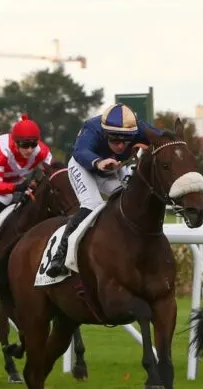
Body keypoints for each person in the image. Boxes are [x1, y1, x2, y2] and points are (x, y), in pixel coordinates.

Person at [42, 102, 160, 277]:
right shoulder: (92, 128)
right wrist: (98, 162)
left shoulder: (140, 128)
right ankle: (60, 254)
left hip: (113, 168)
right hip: (84, 166)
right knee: (92, 204)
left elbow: (164, 138)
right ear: (105, 133)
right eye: (114, 140)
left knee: (125, 202)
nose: (121, 146)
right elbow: (81, 151)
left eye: (126, 140)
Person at [0, 114, 53, 248]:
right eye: (25, 145)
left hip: (15, 181)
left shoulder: (41, 151)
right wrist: (19, 187)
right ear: (15, 142)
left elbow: (53, 172)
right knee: (6, 197)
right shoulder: (0, 148)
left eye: (33, 144)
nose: (30, 150)